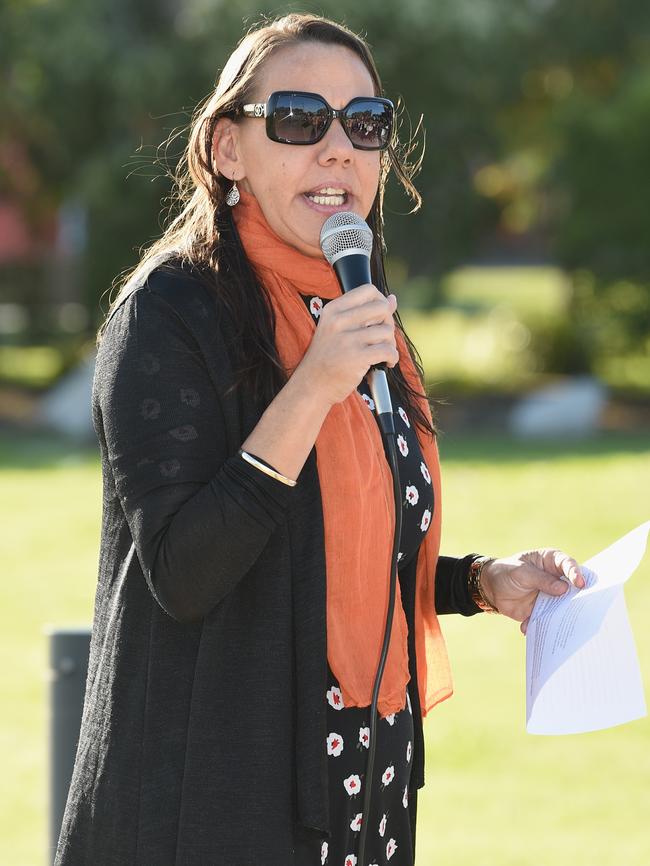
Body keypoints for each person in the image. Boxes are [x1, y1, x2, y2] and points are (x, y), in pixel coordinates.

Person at [55, 13, 585, 866]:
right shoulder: (172, 311)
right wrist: (315, 386)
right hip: (210, 802)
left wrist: (486, 583)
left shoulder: (352, 306)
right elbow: (187, 571)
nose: (339, 148)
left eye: (364, 124)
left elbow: (335, 550)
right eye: (301, 119)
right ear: (228, 149)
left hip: (359, 789)